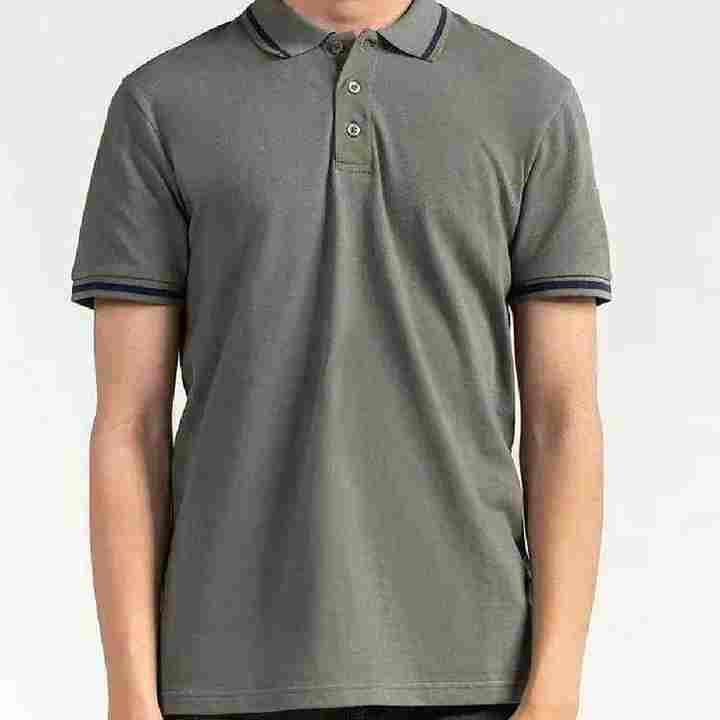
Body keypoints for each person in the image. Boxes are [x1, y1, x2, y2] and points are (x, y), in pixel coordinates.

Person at [69, 1, 612, 720]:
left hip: (478, 677)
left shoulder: (529, 101)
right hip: (224, 675)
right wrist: (130, 696)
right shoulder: (161, 104)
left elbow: (563, 420)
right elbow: (128, 426)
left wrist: (557, 687)